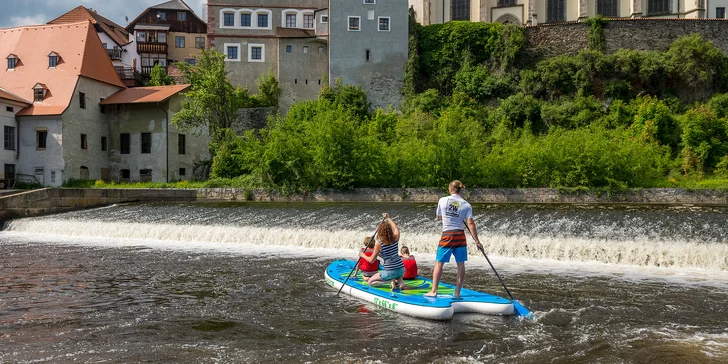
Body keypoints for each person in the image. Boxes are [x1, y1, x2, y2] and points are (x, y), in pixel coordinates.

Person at [425, 180, 483, 298]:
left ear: (450, 189)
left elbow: (439, 217)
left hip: (447, 235)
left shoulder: (442, 200)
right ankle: (457, 293)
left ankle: (434, 291)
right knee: (460, 264)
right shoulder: (466, 204)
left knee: (439, 263)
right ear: (460, 189)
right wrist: (477, 241)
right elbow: (471, 223)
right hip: (460, 236)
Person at [359, 213, 406, 290]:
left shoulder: (379, 244)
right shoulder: (395, 238)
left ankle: (390, 281)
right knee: (396, 273)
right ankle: (400, 281)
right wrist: (389, 218)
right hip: (401, 269)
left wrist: (362, 255)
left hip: (389, 272)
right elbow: (396, 229)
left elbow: (371, 260)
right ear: (390, 230)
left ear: (380, 232)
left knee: (370, 282)